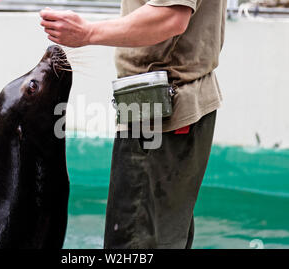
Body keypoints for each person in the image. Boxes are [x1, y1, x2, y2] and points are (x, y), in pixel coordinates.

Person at [40, 0, 227, 249]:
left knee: (134, 245)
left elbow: (171, 17)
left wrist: (88, 33)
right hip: (169, 106)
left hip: (163, 113)